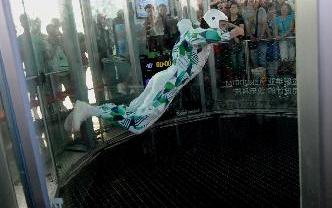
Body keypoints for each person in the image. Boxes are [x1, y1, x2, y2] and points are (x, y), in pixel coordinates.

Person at [64, 9, 243, 134]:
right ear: (211, 21)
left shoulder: (194, 34)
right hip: (169, 82)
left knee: (133, 110)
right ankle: (88, 110)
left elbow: (185, 25)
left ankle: (92, 110)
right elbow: (215, 36)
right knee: (138, 124)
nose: (223, 28)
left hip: (165, 78)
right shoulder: (197, 35)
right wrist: (237, 30)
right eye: (221, 24)